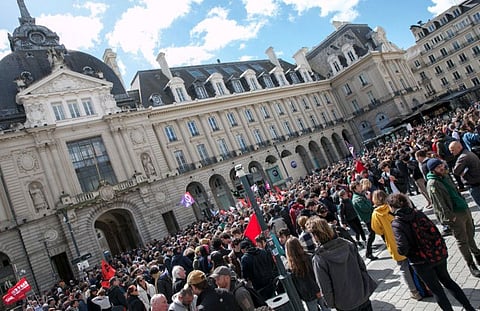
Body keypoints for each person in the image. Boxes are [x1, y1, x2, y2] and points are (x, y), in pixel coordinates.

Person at [387, 193, 476, 311]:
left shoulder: (397, 223)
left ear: (392, 207)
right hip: (437, 254)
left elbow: (402, 248)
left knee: (437, 290)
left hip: (420, 262)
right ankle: (469, 308)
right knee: (448, 282)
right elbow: (433, 229)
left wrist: (407, 253)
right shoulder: (418, 213)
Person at [306, 216, 377, 311]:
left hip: (344, 303)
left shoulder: (320, 258)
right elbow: (362, 268)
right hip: (362, 295)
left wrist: (331, 304)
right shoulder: (348, 244)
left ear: (315, 236)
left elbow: (325, 287)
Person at [425, 158, 480, 277]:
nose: (442, 167)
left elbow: (455, 190)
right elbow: (439, 204)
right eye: (438, 167)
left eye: (441, 165)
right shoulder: (433, 184)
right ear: (433, 170)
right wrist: (450, 218)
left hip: (463, 209)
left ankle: (477, 255)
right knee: (462, 240)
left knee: (470, 235)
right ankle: (471, 264)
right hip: (454, 214)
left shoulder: (445, 175)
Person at [370, 190, 422, 300]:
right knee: (417, 263)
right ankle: (426, 286)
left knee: (404, 268)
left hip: (394, 243)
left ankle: (414, 292)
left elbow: (377, 230)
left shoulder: (376, 214)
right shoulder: (392, 206)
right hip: (406, 237)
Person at [285, 237, 329, 311]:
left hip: (307, 296)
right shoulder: (309, 257)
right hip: (319, 290)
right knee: (326, 308)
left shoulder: (290, 267)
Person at [350, 181, 378, 260]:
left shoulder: (360, 195)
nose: (361, 186)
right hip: (368, 218)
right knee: (372, 234)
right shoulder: (357, 199)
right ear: (355, 189)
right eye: (359, 186)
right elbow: (365, 209)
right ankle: (368, 252)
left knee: (377, 231)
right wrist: (368, 199)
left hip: (371, 216)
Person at [449, 140, 480, 207]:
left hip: (474, 184)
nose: (451, 152)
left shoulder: (463, 157)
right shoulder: (467, 153)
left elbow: (455, 171)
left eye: (452, 150)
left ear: (459, 147)